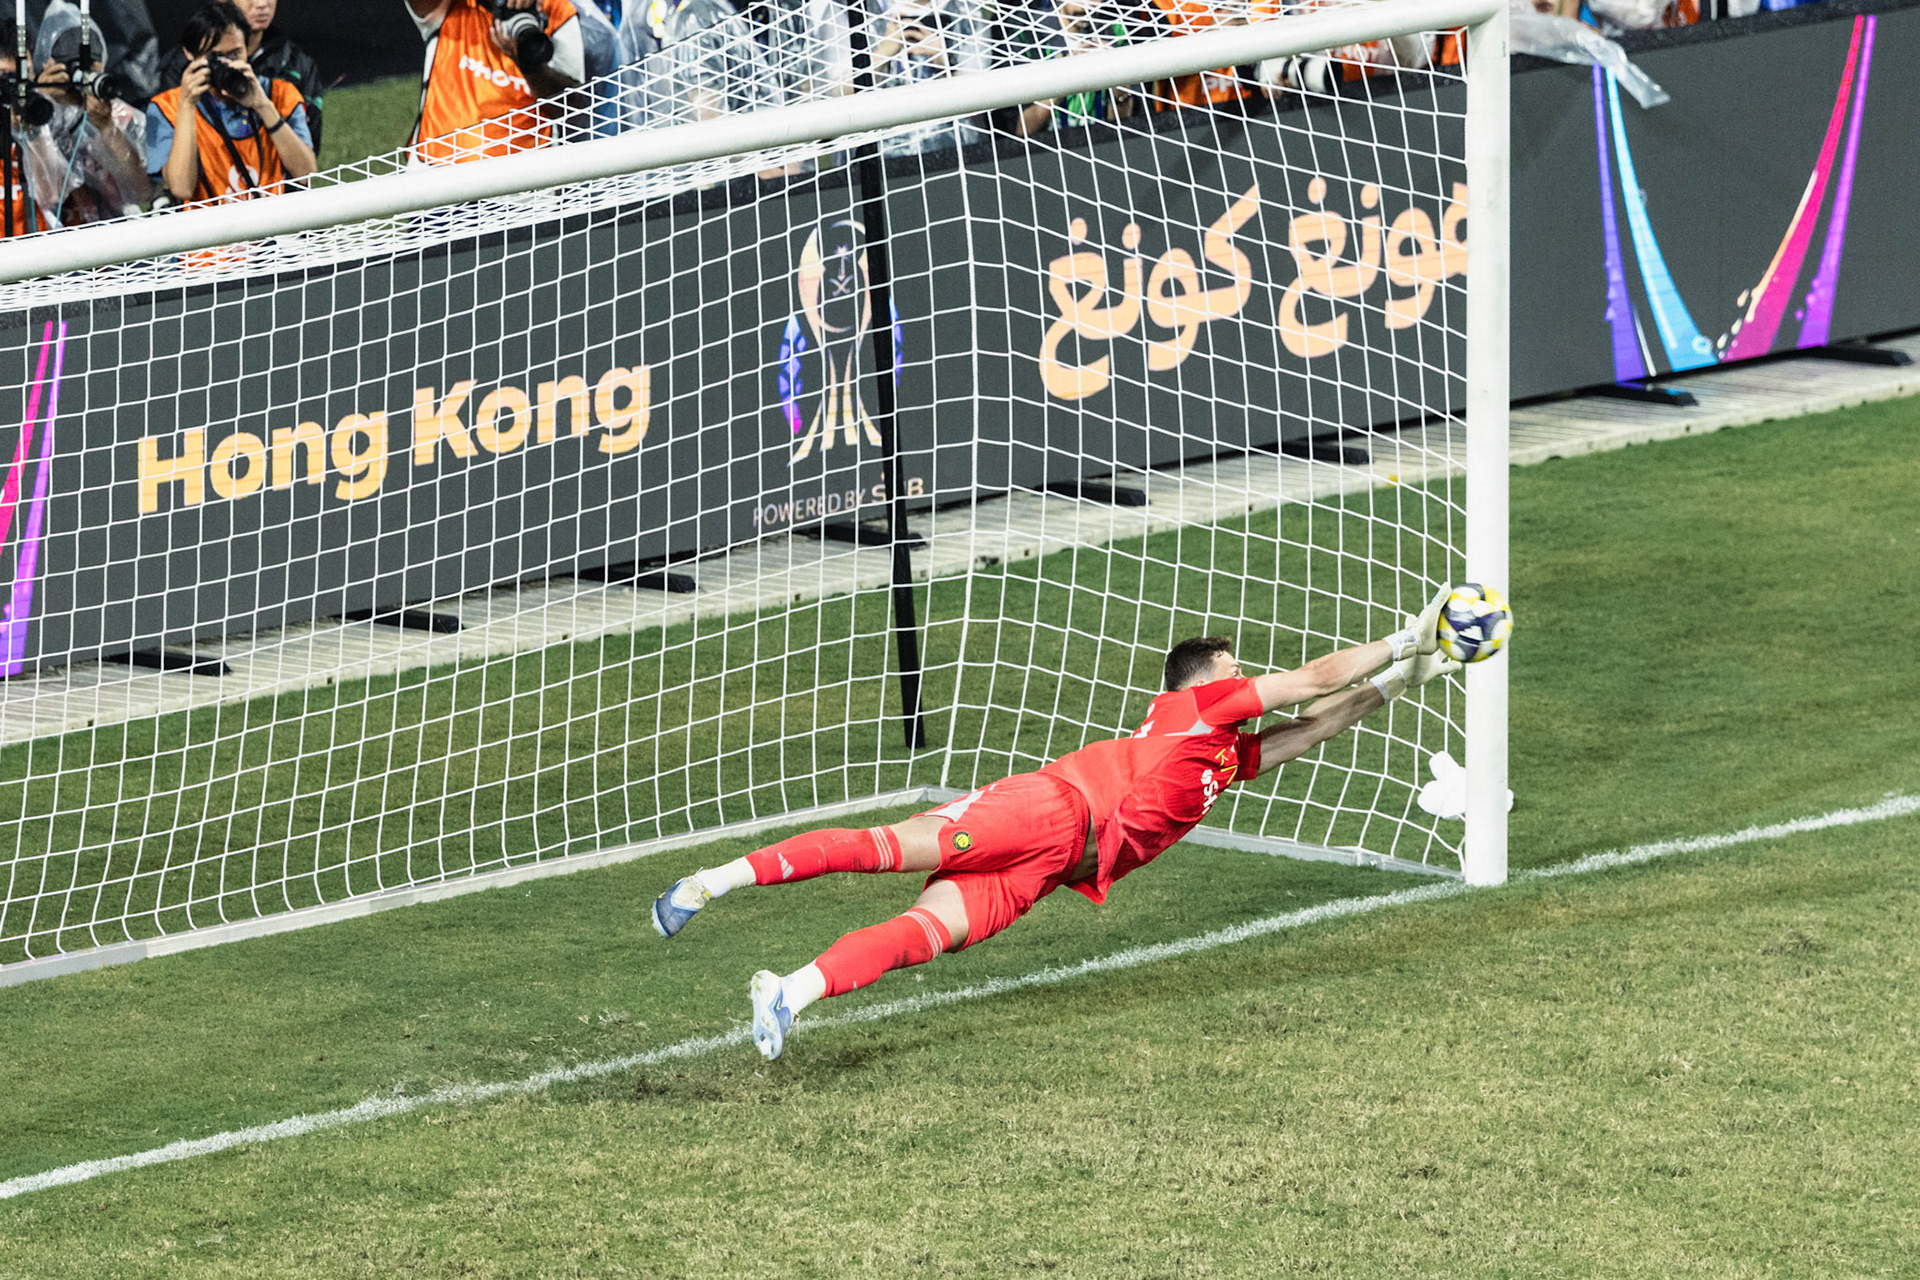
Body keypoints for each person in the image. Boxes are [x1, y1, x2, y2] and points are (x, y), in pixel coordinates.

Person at [651, 588, 1464, 1060]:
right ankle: (713, 880)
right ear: (1203, 678)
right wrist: (1403, 634)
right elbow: (1310, 681)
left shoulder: (1224, 757)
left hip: (1051, 869)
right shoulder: (1196, 706)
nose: (1241, 674)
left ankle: (787, 994)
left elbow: (1315, 723)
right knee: (882, 851)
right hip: (1046, 809)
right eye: (1231, 665)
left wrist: (1407, 677)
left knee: (919, 937)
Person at [146, 1, 317, 204]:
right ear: (190, 54)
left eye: (235, 54)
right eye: (215, 57)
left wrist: (263, 105)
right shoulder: (166, 107)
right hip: (209, 230)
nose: (226, 64)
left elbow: (307, 174)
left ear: (248, 47)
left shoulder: (281, 94)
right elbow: (182, 188)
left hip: (274, 226)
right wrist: (187, 105)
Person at [1, 11, 149, 235]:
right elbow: (50, 195)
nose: (15, 88)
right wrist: (38, 112)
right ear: (47, 62)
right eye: (6, 78)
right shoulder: (28, 117)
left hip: (113, 241)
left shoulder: (112, 112)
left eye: (87, 62)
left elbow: (141, 193)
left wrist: (106, 127)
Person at [405, 0, 585, 164]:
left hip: (525, 181)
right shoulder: (453, 7)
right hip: (436, 171)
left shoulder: (555, 9)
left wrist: (530, 66)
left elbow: (572, 108)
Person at [157, 0, 328, 154]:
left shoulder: (296, 64)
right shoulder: (181, 70)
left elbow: (309, 153)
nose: (262, 4)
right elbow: (173, 175)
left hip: (279, 182)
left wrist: (266, 108)